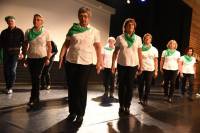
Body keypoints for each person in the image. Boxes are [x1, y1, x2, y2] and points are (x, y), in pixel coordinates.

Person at [59, 7, 103, 125]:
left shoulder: (94, 31)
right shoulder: (73, 29)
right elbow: (66, 44)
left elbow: (98, 48)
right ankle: (72, 112)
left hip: (86, 63)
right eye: (81, 16)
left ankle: (80, 113)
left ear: (89, 17)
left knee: (81, 87)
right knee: (72, 87)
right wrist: (61, 56)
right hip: (71, 61)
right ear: (78, 16)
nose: (83, 18)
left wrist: (99, 62)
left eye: (85, 16)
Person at [111, 18, 143, 116]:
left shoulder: (138, 38)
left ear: (134, 27)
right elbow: (115, 52)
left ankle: (127, 105)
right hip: (122, 65)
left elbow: (139, 53)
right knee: (121, 86)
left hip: (133, 65)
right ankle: (121, 105)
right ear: (125, 27)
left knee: (130, 86)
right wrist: (113, 64)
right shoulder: (120, 38)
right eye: (128, 25)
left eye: (132, 25)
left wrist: (141, 65)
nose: (130, 26)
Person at [22, 14, 52, 110]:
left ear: (42, 22)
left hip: (41, 58)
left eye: (38, 20)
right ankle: (36, 97)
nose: (36, 21)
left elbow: (49, 46)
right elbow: (25, 45)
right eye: (35, 19)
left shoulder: (46, 32)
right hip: (31, 58)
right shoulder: (28, 31)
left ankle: (33, 98)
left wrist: (47, 58)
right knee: (34, 78)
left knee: (37, 77)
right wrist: (24, 58)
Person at [0, 16, 24, 94]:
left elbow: (24, 43)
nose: (11, 22)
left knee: (12, 70)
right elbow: (0, 44)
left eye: (12, 21)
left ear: (15, 21)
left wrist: (23, 53)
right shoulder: (3, 32)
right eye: (9, 21)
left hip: (15, 53)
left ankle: (10, 87)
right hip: (6, 53)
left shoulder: (19, 31)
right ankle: (7, 87)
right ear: (7, 22)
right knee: (6, 70)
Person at [138, 33, 158, 105]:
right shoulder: (139, 48)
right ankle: (140, 98)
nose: (147, 40)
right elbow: (137, 58)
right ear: (144, 39)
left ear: (151, 40)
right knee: (140, 84)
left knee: (148, 85)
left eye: (148, 39)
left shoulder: (154, 49)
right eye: (146, 39)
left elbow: (156, 60)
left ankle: (145, 99)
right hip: (141, 68)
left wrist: (156, 70)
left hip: (150, 69)